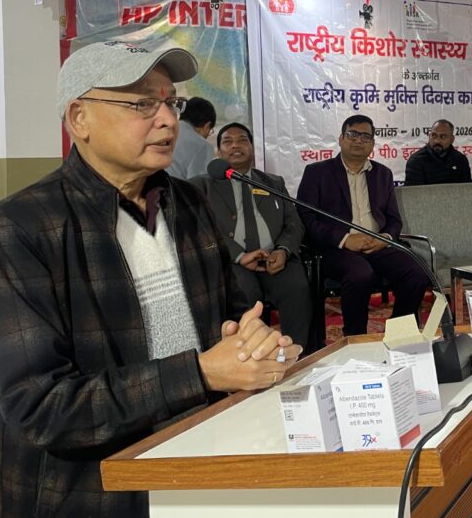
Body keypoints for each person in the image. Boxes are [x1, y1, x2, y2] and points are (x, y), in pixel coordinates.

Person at [0, 40, 300, 518]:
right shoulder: (19, 227)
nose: (168, 120)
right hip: (92, 505)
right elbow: (40, 406)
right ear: (79, 118)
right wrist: (202, 373)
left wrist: (252, 338)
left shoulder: (188, 202)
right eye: (143, 103)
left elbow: (231, 312)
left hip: (201, 467)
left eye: (171, 102)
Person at [297, 114, 431, 336]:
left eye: (366, 136)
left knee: (417, 271)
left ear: (372, 143)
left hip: (376, 245)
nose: (359, 140)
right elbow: (306, 217)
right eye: (353, 134)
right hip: (336, 249)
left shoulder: (383, 174)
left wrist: (384, 239)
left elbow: (394, 220)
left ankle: (397, 333)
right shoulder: (317, 172)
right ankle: (355, 337)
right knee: (360, 274)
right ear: (341, 139)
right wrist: (345, 239)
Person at [189, 122, 312, 350]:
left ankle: (297, 354)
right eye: (228, 141)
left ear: (252, 148)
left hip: (274, 257)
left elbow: (294, 223)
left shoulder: (273, 182)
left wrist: (283, 250)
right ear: (218, 151)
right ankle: (249, 356)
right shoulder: (201, 185)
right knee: (245, 294)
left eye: (242, 140)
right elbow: (199, 228)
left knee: (297, 288)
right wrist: (238, 255)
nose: (235, 145)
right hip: (231, 261)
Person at [404, 119, 472, 185]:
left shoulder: (460, 160)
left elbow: (467, 189)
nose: (437, 141)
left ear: (452, 139)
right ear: (429, 136)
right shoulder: (416, 161)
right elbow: (413, 192)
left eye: (443, 137)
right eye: (434, 135)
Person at [167, 95, 215, 179]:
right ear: (207, 126)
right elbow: (199, 184)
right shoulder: (202, 146)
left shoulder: (163, 131)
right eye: (210, 131)